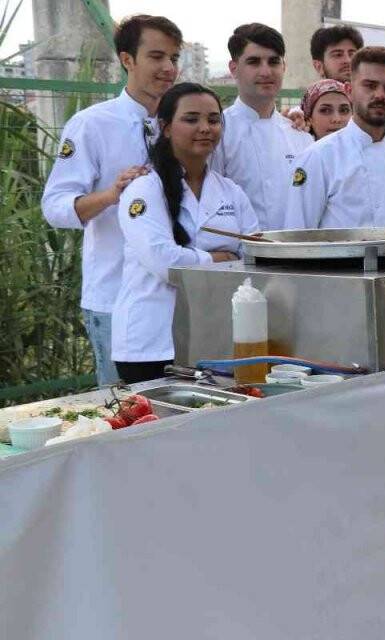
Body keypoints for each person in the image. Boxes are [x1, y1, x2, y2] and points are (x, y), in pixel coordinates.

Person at [41, 14, 183, 387]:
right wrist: (110, 195)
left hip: (177, 297)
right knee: (124, 416)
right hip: (116, 298)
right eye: (156, 56)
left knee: (181, 413)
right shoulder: (91, 125)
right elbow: (55, 206)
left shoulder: (186, 123)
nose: (168, 68)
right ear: (127, 60)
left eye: (173, 57)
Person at [112, 83, 258, 384]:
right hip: (153, 343)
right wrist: (221, 257)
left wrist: (210, 260)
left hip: (215, 338)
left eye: (213, 120)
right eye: (191, 119)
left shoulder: (231, 192)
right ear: (165, 128)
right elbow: (165, 263)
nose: (205, 128)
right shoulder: (143, 189)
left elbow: (255, 255)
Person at [282, 46, 385, 230]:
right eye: (370, 85)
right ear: (349, 90)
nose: (380, 95)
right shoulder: (318, 158)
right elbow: (297, 238)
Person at [210, 23, 313, 232]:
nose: (266, 71)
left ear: (283, 66)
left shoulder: (300, 135)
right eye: (254, 62)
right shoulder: (217, 132)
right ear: (233, 68)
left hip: (298, 256)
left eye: (273, 61)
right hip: (239, 258)